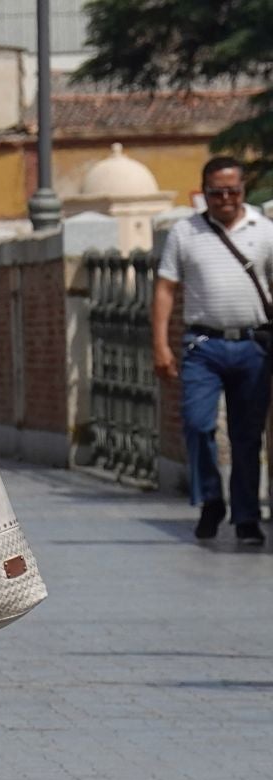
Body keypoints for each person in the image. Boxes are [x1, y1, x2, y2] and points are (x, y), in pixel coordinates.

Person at [152, 155, 271, 545]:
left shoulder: (264, 231)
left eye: (232, 191)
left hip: (253, 345)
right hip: (202, 345)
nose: (225, 198)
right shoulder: (185, 233)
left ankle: (247, 517)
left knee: (247, 436)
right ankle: (210, 499)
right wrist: (160, 345)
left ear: (243, 191)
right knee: (198, 423)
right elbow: (166, 289)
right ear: (204, 193)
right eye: (216, 191)